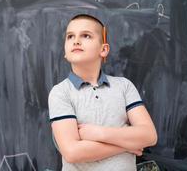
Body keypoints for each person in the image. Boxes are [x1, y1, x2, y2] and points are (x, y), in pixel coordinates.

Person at [48, 14, 158, 171]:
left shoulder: (124, 86)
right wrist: (126, 144)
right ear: (65, 52)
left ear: (104, 49)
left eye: (86, 35)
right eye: (70, 36)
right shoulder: (60, 92)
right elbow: (72, 152)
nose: (76, 40)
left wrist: (98, 133)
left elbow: (149, 136)